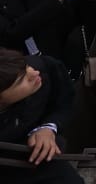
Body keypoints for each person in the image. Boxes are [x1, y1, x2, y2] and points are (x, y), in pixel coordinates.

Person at [0, 48, 84, 184]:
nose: (34, 73)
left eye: (26, 66)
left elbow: (63, 102)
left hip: (38, 159)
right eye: (22, 80)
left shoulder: (43, 70)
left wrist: (48, 128)